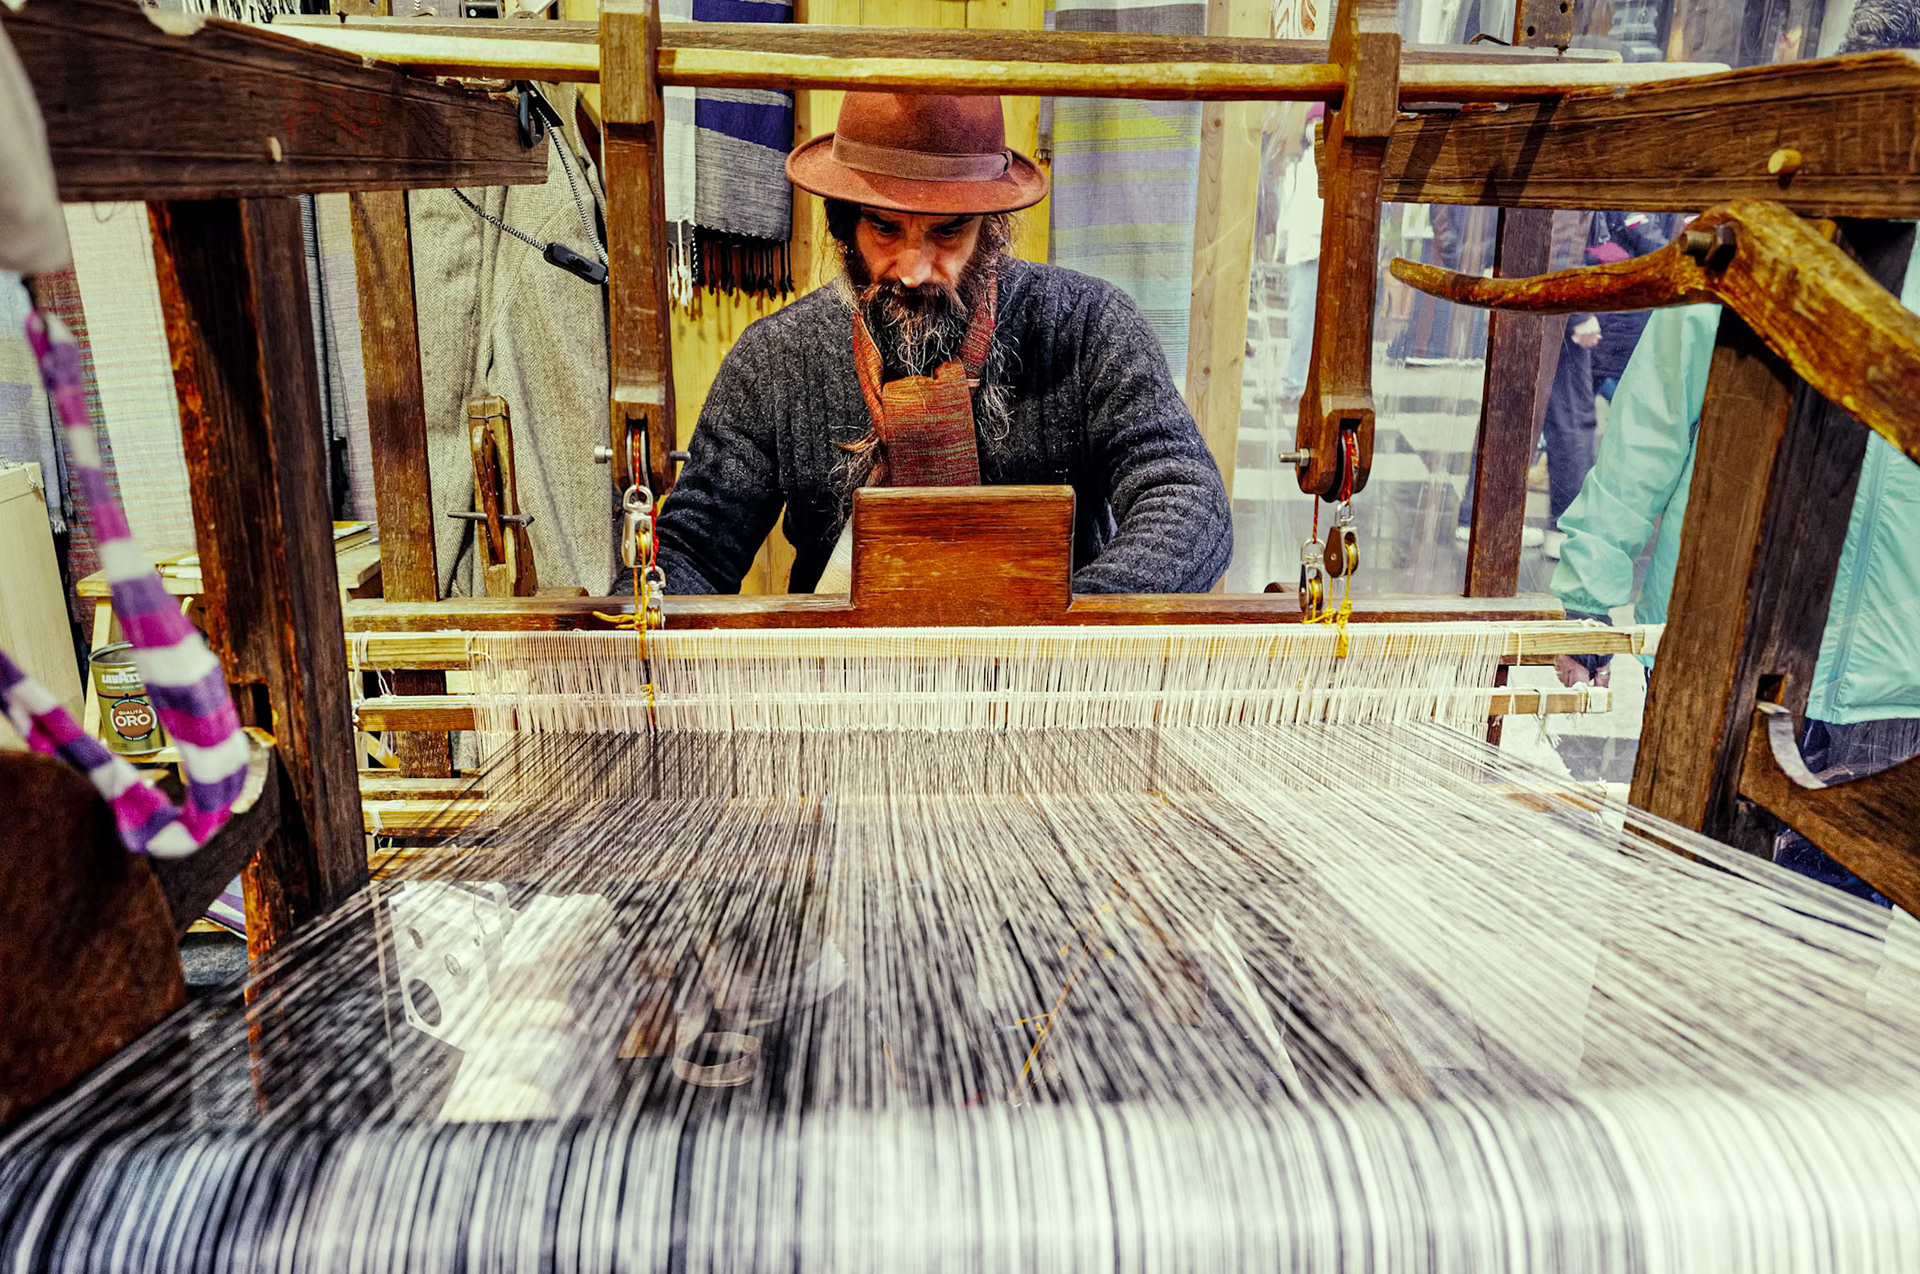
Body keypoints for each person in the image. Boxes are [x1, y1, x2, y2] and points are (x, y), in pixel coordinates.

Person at [654, 92, 1232, 596]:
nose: (913, 271)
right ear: (843, 224)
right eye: (884, 228)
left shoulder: (1087, 326)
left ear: (992, 226)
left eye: (948, 230)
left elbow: (1186, 498)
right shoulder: (777, 358)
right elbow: (695, 548)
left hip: (1049, 675)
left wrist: (1061, 630)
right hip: (842, 675)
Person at [1550, 303, 1920, 901]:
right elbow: (1649, 430)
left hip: (1894, 679)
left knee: (1833, 923)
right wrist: (1587, 597)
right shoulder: (1743, 258)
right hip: (1722, 645)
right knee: (1681, 893)